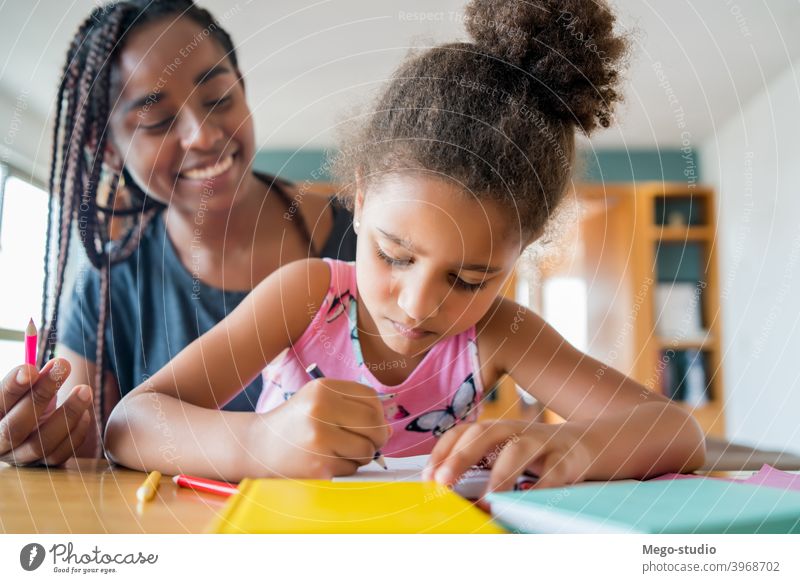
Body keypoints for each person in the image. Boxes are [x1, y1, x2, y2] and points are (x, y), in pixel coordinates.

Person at [105, 0, 706, 488]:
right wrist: (261, 441)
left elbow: (679, 432)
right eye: (395, 255)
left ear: (516, 259)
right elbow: (130, 425)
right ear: (360, 202)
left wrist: (576, 443)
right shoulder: (308, 296)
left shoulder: (499, 332)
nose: (419, 306)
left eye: (470, 279)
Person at [41, 0, 357, 460]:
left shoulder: (369, 238)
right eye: (157, 121)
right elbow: (82, 453)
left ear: (244, 91)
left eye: (219, 100)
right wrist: (40, 442)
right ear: (108, 151)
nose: (204, 136)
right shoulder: (110, 288)